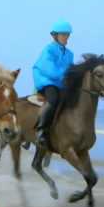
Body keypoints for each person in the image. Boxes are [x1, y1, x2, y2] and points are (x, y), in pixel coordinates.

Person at [32, 19, 74, 148]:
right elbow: (48, 68)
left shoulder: (69, 54)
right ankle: (40, 129)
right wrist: (65, 76)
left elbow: (70, 70)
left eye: (67, 34)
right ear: (55, 36)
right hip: (46, 81)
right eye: (63, 34)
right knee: (54, 98)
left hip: (61, 83)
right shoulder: (49, 50)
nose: (66, 37)